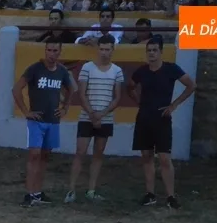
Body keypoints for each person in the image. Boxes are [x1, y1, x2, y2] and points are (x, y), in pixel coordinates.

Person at [126, 36, 196, 209]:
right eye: (149, 50)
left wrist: (174, 105)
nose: (151, 53)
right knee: (146, 156)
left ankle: (171, 196)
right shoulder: (141, 71)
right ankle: (150, 194)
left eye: (154, 50)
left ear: (161, 52)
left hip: (162, 119)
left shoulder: (171, 69)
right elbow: (130, 86)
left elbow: (191, 85)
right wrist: (139, 101)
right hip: (144, 118)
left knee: (164, 158)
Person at [11, 37, 77, 208]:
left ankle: (38, 192)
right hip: (37, 120)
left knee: (45, 156)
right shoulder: (35, 69)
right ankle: (29, 193)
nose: (52, 54)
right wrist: (26, 112)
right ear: (45, 50)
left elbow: (71, 89)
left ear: (60, 52)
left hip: (53, 121)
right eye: (49, 50)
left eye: (55, 50)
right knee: (34, 155)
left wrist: (65, 108)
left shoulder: (61, 71)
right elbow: (16, 89)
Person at [66, 34, 123, 203]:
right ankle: (71, 190)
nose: (104, 52)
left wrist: (102, 114)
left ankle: (91, 190)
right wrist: (92, 114)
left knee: (98, 154)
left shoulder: (117, 71)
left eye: (107, 49)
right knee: (80, 152)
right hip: (87, 117)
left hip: (105, 118)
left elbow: (117, 97)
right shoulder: (87, 67)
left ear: (113, 50)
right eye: (102, 49)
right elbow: (82, 94)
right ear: (97, 49)